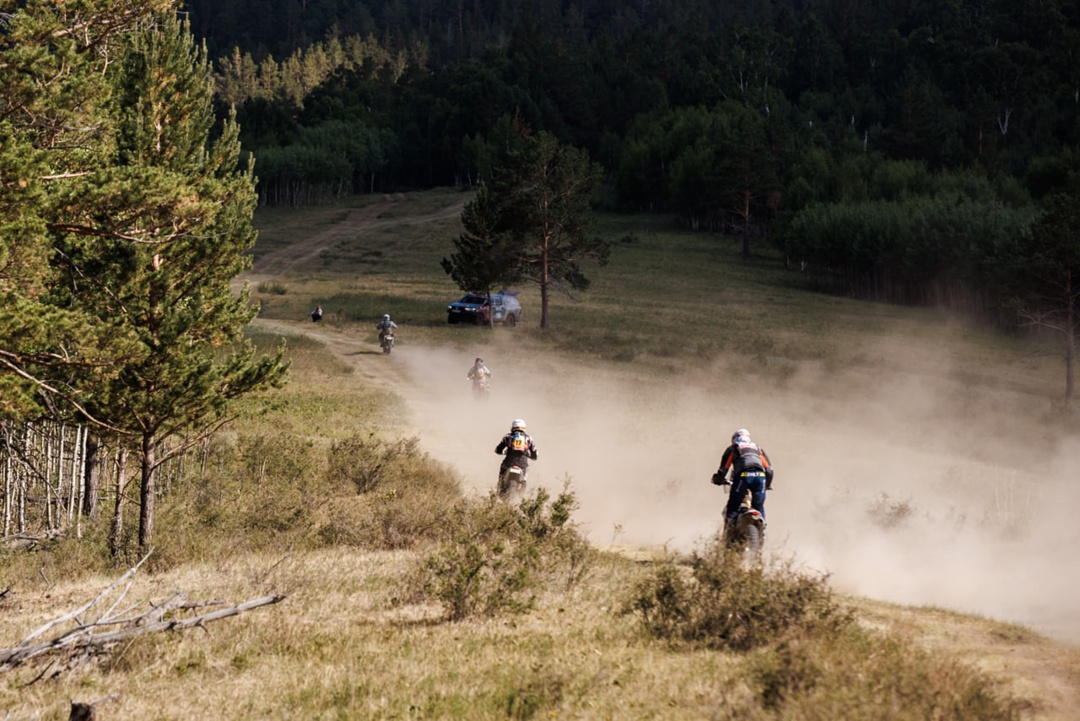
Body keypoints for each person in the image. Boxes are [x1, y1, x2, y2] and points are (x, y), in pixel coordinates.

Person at [712, 428, 774, 538]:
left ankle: (728, 536)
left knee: (733, 506)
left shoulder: (734, 448)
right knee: (758, 506)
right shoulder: (758, 448)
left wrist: (718, 479)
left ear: (734, 439)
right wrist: (767, 485)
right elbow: (769, 470)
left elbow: (724, 468)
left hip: (743, 476)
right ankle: (761, 535)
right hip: (760, 477)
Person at [495, 418, 538, 484]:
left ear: (513, 427)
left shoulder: (507, 437)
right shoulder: (529, 438)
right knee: (524, 480)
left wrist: (503, 452)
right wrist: (532, 456)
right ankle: (522, 490)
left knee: (501, 477)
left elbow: (498, 449)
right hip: (522, 464)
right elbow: (534, 453)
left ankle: (499, 487)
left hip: (508, 463)